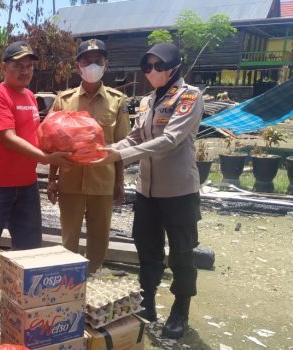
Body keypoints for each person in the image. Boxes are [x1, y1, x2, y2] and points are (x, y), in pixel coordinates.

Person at [91, 43, 203, 339]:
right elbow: (135, 137)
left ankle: (181, 308)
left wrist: (119, 156)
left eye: (158, 66)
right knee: (148, 250)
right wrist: (107, 149)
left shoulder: (189, 97)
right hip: (147, 192)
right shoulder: (147, 101)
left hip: (179, 191)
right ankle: (149, 303)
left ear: (174, 66)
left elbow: (170, 140)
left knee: (181, 253)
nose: (151, 72)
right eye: (147, 67)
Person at [0, 41, 69, 313]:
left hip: (25, 184)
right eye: (18, 66)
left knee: (28, 244)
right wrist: (45, 158)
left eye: (29, 66)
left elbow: (35, 135)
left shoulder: (29, 97)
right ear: (4, 67)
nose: (24, 71)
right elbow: (7, 137)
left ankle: (21, 294)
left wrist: (57, 144)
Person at [48, 39, 130, 273]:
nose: (92, 65)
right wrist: (52, 180)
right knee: (68, 240)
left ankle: (92, 282)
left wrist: (119, 182)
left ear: (106, 64)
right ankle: (68, 285)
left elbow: (122, 146)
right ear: (78, 66)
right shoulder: (64, 100)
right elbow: (53, 143)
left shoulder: (117, 101)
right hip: (70, 181)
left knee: (99, 240)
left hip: (103, 182)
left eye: (98, 61)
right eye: (87, 61)